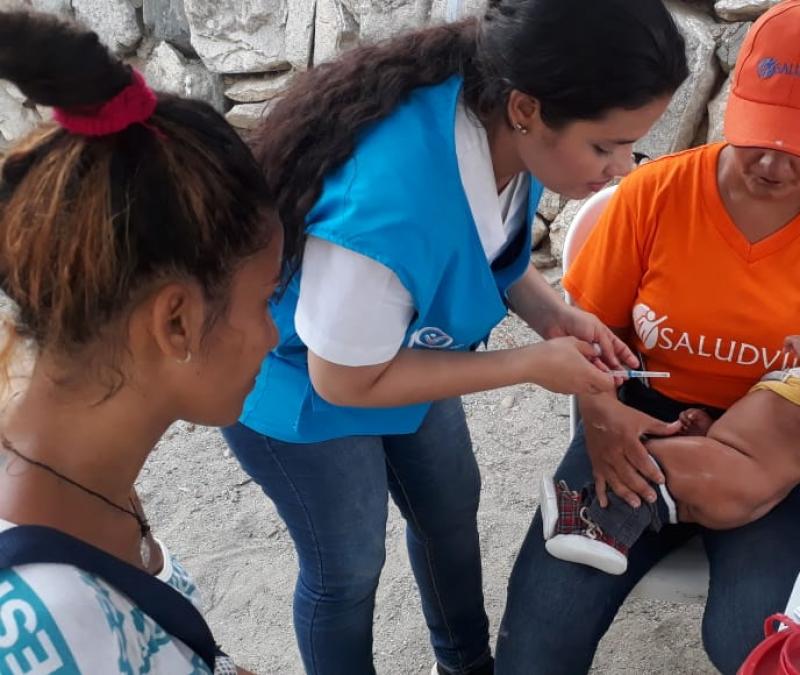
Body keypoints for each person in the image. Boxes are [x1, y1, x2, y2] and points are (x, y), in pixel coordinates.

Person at [219, 2, 688, 673]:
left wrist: (558, 319)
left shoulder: (500, 122)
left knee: (448, 507)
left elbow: (493, 251)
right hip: (298, 382)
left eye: (630, 144)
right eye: (604, 145)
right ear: (527, 108)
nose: (620, 170)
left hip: (406, 350)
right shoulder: (386, 203)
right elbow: (343, 379)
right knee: (347, 566)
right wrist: (530, 363)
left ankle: (465, 662)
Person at [495, 1, 800, 672]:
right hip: (642, 415)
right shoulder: (654, 195)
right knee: (540, 639)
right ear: (731, 104)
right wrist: (601, 415)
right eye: (760, 135)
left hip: (791, 437)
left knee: (766, 644)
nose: (773, 164)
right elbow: (586, 333)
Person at [0, 10, 281, 674]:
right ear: (175, 321)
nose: (273, 335)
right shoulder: (41, 631)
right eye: (266, 301)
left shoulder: (83, 476)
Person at [541, 288, 800, 574]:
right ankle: (609, 526)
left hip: (739, 480)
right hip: (727, 465)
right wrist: (707, 429)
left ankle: (598, 528)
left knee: (648, 459)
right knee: (652, 460)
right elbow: (754, 428)